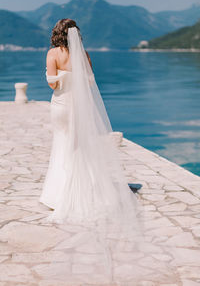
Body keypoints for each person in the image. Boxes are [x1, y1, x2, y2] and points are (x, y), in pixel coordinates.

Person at [38, 19, 175, 285]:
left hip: (61, 108)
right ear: (77, 35)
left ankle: (59, 193)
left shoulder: (53, 53)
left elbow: (52, 85)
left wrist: (60, 78)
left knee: (62, 146)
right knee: (78, 148)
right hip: (78, 108)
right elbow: (89, 84)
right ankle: (86, 189)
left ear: (57, 34)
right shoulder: (84, 55)